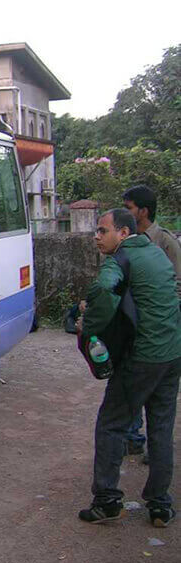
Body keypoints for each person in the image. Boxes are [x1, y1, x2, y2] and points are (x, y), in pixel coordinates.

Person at [78, 208, 181, 527]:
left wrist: (88, 327)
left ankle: (107, 500)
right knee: (161, 428)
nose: (97, 236)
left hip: (142, 358)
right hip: (172, 355)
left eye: (102, 230)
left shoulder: (120, 260)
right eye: (96, 231)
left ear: (123, 233)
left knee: (111, 423)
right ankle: (160, 504)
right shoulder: (157, 253)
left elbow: (105, 291)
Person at [121, 185, 181, 462]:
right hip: (132, 328)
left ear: (143, 211)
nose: (126, 213)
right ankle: (133, 438)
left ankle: (156, 450)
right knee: (131, 387)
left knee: (155, 393)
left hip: (159, 331)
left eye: (130, 208)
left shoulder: (166, 242)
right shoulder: (127, 242)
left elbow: (177, 287)